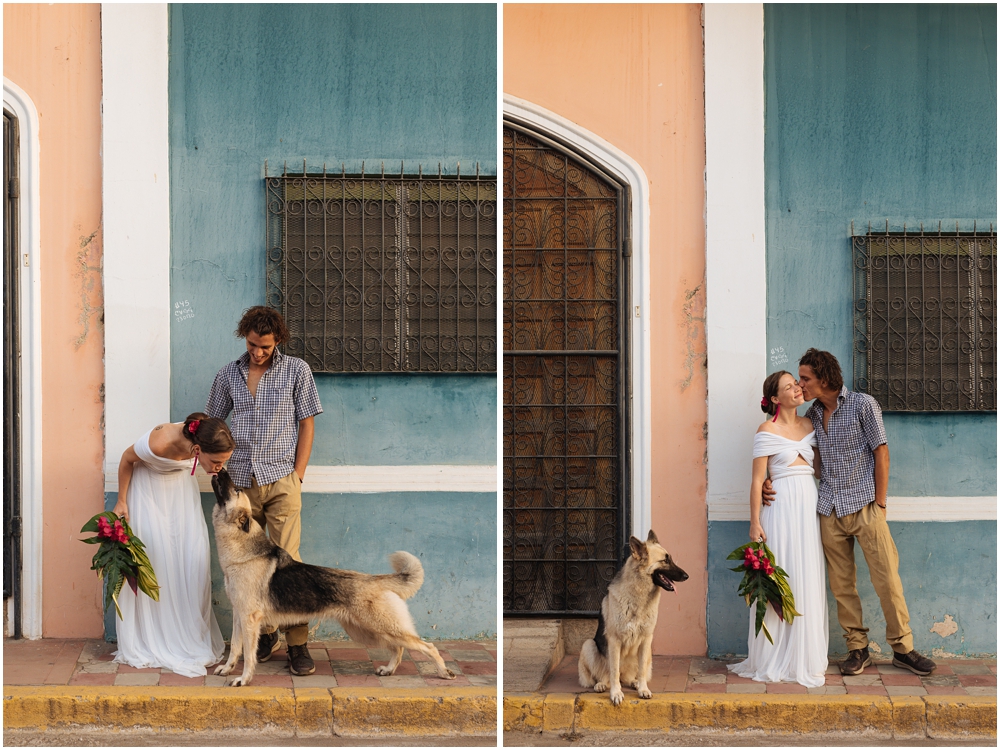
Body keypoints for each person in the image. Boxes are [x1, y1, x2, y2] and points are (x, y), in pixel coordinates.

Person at [765, 349, 936, 677]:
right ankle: (858, 650)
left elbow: (881, 453)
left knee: (886, 578)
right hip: (828, 508)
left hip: (865, 506)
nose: (801, 385)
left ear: (824, 379)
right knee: (842, 585)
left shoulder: (863, 405)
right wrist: (767, 481)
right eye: (798, 379)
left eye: (806, 379)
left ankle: (903, 648)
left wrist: (881, 504)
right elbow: (789, 450)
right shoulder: (812, 414)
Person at [206, 306, 323, 677]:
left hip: (282, 480)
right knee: (250, 570)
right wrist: (211, 460)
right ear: (246, 337)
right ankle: (266, 633)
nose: (259, 352)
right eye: (254, 345)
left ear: (278, 342)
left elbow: (307, 424)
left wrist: (299, 475)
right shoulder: (228, 374)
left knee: (290, 564)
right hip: (241, 485)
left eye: (266, 347)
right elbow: (213, 423)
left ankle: (298, 644)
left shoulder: (296, 371)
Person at [728, 371, 829, 688]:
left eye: (797, 384)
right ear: (775, 399)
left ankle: (805, 656)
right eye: (789, 386)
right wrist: (754, 522)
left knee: (806, 575)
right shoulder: (766, 430)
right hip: (780, 510)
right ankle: (774, 656)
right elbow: (758, 480)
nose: (797, 388)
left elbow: (819, 467)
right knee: (782, 573)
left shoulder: (811, 425)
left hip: (807, 508)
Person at [111, 413, 231, 677]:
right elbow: (127, 459)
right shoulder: (159, 442)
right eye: (218, 462)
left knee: (193, 560)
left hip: (181, 497)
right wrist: (121, 501)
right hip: (149, 496)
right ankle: (155, 637)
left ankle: (189, 636)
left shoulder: (203, 434)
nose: (220, 467)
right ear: (197, 450)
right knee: (159, 563)